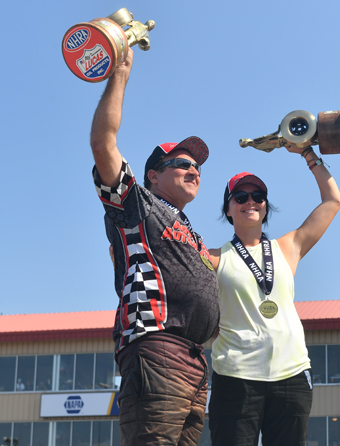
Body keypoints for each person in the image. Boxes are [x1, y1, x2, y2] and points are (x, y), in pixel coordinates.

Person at [89, 48, 220, 446]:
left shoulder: (190, 230)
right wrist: (120, 75)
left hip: (195, 361)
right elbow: (103, 143)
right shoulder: (138, 205)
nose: (193, 170)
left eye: (197, 166)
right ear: (152, 176)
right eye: (181, 164)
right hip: (156, 348)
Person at [207, 151, 340, 446]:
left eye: (258, 196)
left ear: (266, 206)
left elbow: (333, 200)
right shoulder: (212, 258)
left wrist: (308, 153)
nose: (250, 201)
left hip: (292, 375)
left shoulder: (288, 247)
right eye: (240, 197)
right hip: (235, 376)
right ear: (228, 209)